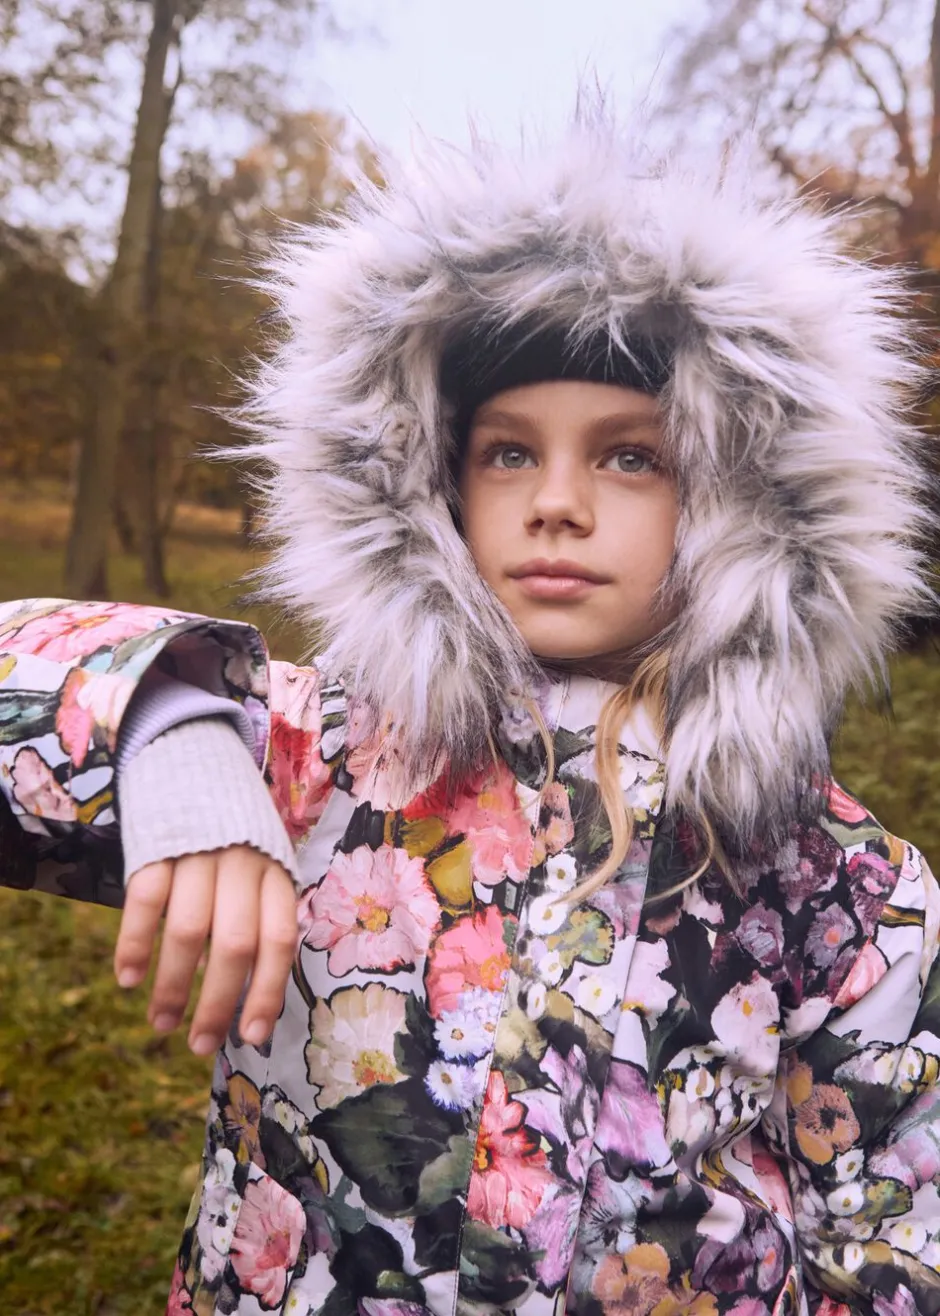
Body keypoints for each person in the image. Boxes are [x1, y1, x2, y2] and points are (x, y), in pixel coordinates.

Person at [1, 108, 939, 1316]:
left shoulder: (845, 887)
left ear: (739, 501)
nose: (556, 501)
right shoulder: (304, 755)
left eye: (630, 456)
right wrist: (171, 741)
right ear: (434, 484)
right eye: (507, 453)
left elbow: (892, 1236)